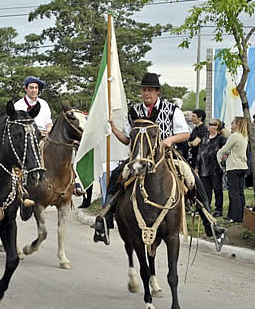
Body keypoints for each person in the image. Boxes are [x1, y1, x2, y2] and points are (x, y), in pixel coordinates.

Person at [93, 72, 224, 247]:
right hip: (139, 156)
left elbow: (185, 134)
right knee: (116, 177)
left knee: (193, 179)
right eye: (144, 90)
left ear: (157, 92)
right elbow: (127, 139)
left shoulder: (172, 110)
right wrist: (114, 128)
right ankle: (105, 220)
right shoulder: (134, 111)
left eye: (150, 90)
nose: (146, 94)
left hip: (167, 156)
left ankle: (210, 223)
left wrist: (169, 140)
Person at [217, 116, 249, 223]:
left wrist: (220, 154)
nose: (231, 124)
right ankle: (240, 215)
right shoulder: (244, 136)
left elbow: (225, 149)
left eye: (233, 122)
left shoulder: (234, 136)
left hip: (234, 166)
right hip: (242, 166)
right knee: (240, 192)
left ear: (238, 124)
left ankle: (234, 217)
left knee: (233, 193)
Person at [196, 118, 227, 217]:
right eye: (209, 124)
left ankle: (219, 209)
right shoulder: (205, 137)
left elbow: (223, 153)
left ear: (216, 127)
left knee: (217, 189)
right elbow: (200, 152)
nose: (209, 125)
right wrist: (197, 166)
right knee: (205, 190)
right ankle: (206, 207)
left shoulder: (221, 139)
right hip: (203, 168)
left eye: (211, 124)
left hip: (215, 168)